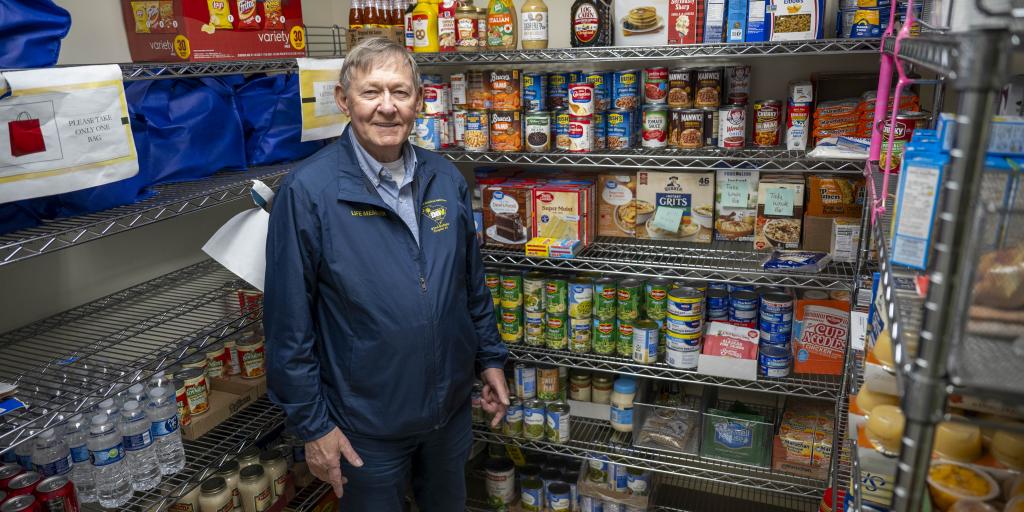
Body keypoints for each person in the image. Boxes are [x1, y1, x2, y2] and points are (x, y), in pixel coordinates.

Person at [264, 38, 509, 511]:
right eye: (371, 92)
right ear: (343, 100)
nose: (387, 107)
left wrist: (491, 360)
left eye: (400, 92)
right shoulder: (309, 193)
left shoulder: (446, 178)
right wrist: (314, 427)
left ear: (419, 100)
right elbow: (287, 327)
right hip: (364, 428)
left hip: (449, 415)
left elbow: (471, 286)